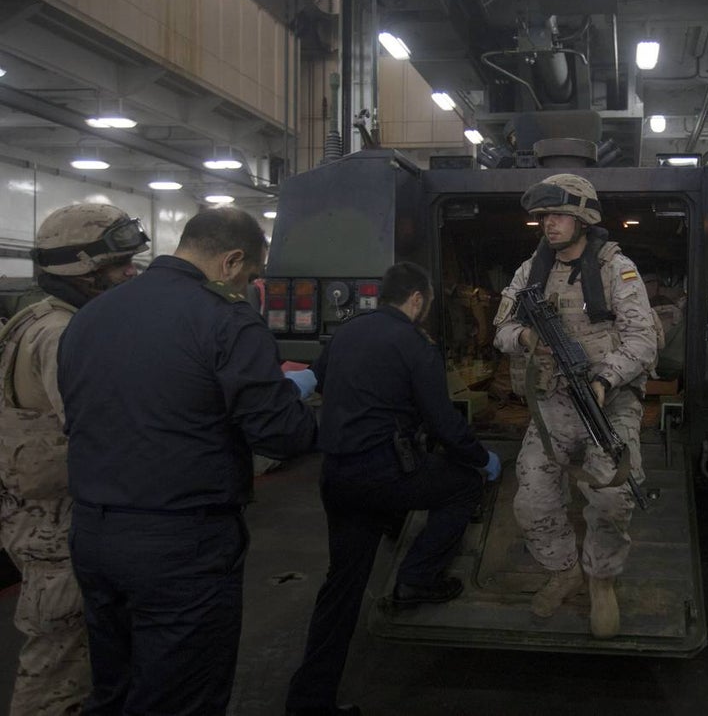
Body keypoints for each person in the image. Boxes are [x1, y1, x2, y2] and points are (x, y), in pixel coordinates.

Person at [57, 207, 317, 715]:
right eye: (250, 276)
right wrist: (294, 397)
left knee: (113, 691)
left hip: (93, 535)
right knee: (181, 696)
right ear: (232, 260)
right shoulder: (225, 318)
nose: (249, 287)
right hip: (180, 546)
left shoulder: (89, 316)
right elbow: (281, 435)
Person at [285, 261, 499, 716]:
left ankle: (309, 702)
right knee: (461, 486)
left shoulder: (347, 332)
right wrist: (482, 459)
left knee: (341, 588)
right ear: (417, 300)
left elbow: (314, 378)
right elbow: (443, 422)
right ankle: (418, 578)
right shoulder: (415, 346)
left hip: (337, 477)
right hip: (385, 474)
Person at [493, 173, 658, 640]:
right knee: (532, 498)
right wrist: (525, 334)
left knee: (611, 496)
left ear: (585, 218)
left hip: (610, 398)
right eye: (545, 216)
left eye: (560, 215)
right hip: (553, 401)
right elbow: (500, 326)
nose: (550, 224)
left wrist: (605, 378)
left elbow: (644, 339)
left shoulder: (613, 268)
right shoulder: (531, 271)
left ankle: (601, 580)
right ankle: (564, 569)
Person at [0, 204, 148, 715]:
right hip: (55, 526)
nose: (130, 272)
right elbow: (95, 428)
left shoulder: (40, 318)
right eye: (119, 264)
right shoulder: (61, 333)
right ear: (79, 269)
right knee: (59, 664)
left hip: (46, 516)